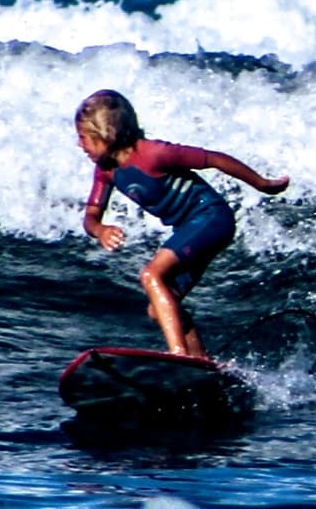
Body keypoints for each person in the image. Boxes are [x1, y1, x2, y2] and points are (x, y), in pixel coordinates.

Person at [74, 89, 289, 359]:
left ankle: (178, 353)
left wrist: (262, 183)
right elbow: (91, 215)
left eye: (83, 137)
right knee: (160, 308)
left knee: (151, 275)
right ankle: (200, 361)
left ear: (106, 133)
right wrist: (100, 229)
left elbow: (213, 159)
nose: (79, 145)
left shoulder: (154, 154)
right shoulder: (106, 170)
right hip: (190, 227)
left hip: (211, 217)